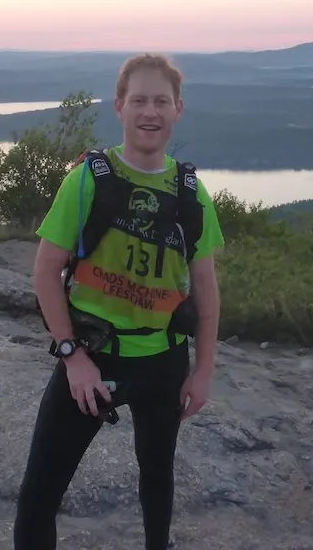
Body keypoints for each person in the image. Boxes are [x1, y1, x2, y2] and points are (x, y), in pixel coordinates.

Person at [12, 52, 225, 549]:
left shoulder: (191, 194)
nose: (150, 112)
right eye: (139, 101)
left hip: (162, 363)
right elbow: (45, 271)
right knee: (39, 495)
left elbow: (206, 290)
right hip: (92, 356)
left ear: (178, 110)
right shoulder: (88, 179)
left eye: (161, 102)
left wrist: (203, 371)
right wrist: (73, 358)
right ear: (119, 107)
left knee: (157, 482)